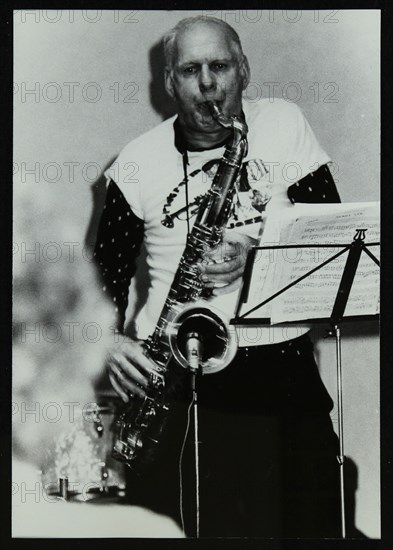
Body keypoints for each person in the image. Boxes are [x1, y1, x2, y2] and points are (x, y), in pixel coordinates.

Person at [94, 16, 342, 538]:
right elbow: (100, 286)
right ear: (169, 83)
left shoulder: (283, 123)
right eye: (190, 70)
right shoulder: (134, 163)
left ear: (243, 70)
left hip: (284, 370)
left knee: (311, 526)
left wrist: (256, 249)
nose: (208, 84)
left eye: (220, 66)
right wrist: (110, 343)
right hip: (181, 382)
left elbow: (332, 231)